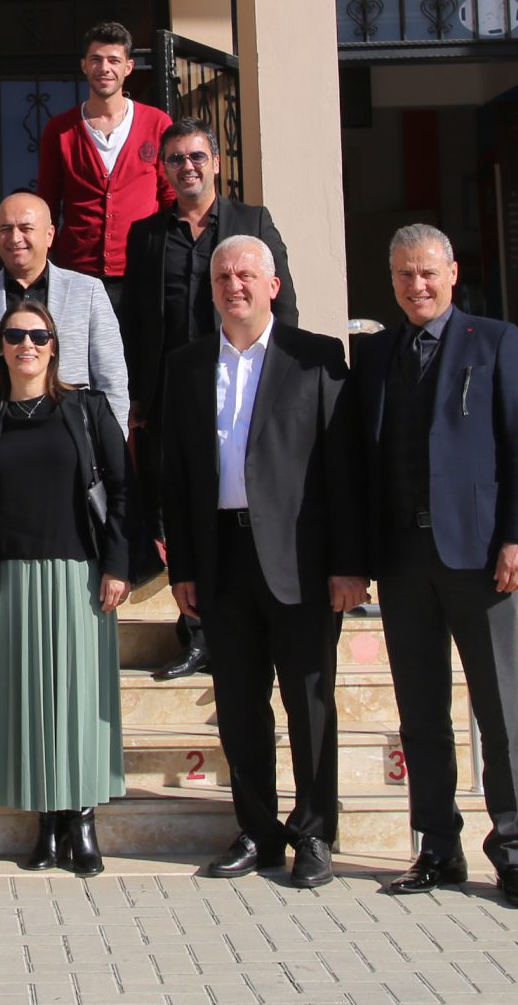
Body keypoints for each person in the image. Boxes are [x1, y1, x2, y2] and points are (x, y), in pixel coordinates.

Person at [159, 237, 366, 891]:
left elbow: (343, 468)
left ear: (273, 285)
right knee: (239, 704)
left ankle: (314, 832)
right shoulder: (187, 365)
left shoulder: (317, 358)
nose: (234, 285)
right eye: (223, 275)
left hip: (300, 561)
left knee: (309, 702)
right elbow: (176, 474)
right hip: (221, 557)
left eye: (247, 274)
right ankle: (257, 830)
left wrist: (348, 564)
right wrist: (183, 566)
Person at [352, 223, 518, 910]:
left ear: (453, 274)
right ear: (392, 279)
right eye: (405, 274)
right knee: (421, 713)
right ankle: (438, 847)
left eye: (428, 272)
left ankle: (512, 851)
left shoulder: (493, 341)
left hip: (481, 559)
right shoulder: (374, 354)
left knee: (499, 708)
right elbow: (359, 458)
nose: (418, 285)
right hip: (403, 561)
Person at [121, 117, 297, 682]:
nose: (187, 168)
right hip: (174, 398)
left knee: (245, 501)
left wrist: (283, 386)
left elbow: (284, 306)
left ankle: (257, 623)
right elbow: (135, 322)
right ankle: (197, 634)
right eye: (175, 159)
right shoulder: (148, 235)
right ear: (164, 170)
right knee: (181, 510)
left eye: (196, 156)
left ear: (216, 163)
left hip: (242, 386)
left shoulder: (252, 222)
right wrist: (137, 397)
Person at [0, 297, 133, 878]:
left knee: (76, 701)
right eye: (15, 336)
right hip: (11, 578)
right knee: (28, 703)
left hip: (78, 574)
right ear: (0, 349)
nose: (27, 346)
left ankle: (80, 820)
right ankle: (46, 823)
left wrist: (117, 565)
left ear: (54, 347)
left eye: (38, 336)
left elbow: (123, 488)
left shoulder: (85, 408)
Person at [0, 189, 127, 437]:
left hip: (73, 439)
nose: (15, 238)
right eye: (5, 229)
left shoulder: (87, 291)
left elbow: (111, 379)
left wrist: (113, 444)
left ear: (49, 234)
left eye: (26, 228)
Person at [33, 22, 173, 317]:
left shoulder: (157, 124)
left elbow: (170, 197)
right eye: (96, 59)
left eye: (114, 60)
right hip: (77, 273)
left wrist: (168, 255)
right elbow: (48, 201)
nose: (104, 68)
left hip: (141, 271)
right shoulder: (60, 130)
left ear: (128, 67)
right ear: (84, 65)